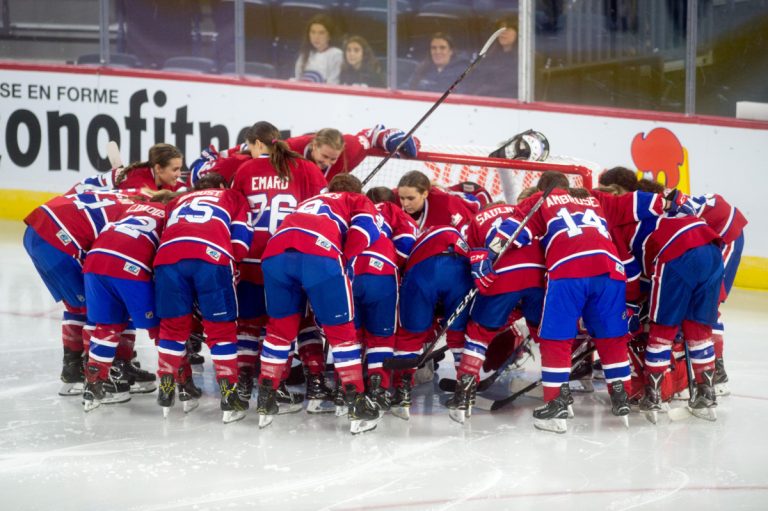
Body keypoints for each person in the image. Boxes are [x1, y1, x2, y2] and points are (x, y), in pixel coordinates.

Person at [480, 172, 634, 433]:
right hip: (611, 269)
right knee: (612, 335)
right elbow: (639, 204)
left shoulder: (541, 200)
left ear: (542, 188)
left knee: (555, 338)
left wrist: (488, 252)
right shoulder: (594, 198)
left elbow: (514, 232)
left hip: (569, 270)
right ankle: (622, 395)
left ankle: (556, 403)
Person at [255, 174, 383, 434]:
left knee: (279, 330)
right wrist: (344, 263)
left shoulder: (309, 201)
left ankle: (266, 397)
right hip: (320, 252)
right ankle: (356, 402)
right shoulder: (357, 199)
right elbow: (365, 230)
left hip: (275, 252)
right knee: (342, 332)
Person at [230, 121, 327, 410]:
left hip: (251, 258)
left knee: (248, 324)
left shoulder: (245, 170)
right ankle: (309, 383)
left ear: (257, 143)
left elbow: (235, 210)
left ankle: (245, 382)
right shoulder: (307, 168)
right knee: (297, 323)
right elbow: (322, 211)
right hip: (290, 257)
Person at [152, 173, 254, 423]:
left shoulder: (178, 200)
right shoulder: (233, 196)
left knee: (172, 328)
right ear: (222, 185)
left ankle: (167, 387)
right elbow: (240, 243)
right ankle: (229, 394)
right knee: (221, 330)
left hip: (167, 259)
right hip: (211, 257)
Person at [23, 191, 136, 396]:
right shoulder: (138, 215)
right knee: (97, 308)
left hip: (36, 231)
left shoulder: (125, 195)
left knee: (76, 305)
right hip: (58, 240)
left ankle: (73, 368)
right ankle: (99, 375)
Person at [446, 200, 546, 423]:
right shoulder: (523, 212)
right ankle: (557, 395)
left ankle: (464, 396)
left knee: (478, 334)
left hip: (503, 277)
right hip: (538, 276)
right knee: (546, 335)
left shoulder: (476, 220)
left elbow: (472, 259)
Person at [81, 198, 167, 410]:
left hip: (94, 261)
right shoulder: (170, 214)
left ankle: (94, 385)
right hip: (128, 266)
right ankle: (175, 380)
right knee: (158, 327)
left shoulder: (131, 209)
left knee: (107, 326)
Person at [352, 187, 418, 411]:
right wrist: (393, 262)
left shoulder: (354, 211)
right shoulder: (392, 210)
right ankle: (378, 389)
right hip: (381, 274)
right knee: (381, 338)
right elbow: (408, 241)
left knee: (351, 337)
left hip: (349, 272)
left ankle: (348, 390)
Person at [286, 125, 418, 183]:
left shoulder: (349, 149)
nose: (327, 163)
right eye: (324, 157)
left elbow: (370, 136)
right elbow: (268, 148)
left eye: (333, 159)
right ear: (314, 146)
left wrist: (390, 138)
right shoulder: (293, 147)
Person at [68, 143, 185, 195]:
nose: (179, 174)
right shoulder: (138, 185)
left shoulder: (161, 178)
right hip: (76, 199)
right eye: (175, 170)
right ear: (158, 168)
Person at [395, 170, 477, 235]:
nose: (405, 204)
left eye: (411, 198)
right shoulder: (395, 197)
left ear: (425, 194)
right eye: (402, 198)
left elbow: (468, 225)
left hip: (470, 202)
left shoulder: (446, 207)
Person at [465, 16, 519, 98]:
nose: (503, 33)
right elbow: (477, 80)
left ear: (518, 33)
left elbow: (510, 85)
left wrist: (485, 90)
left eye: (507, 29)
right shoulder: (490, 56)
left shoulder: (524, 60)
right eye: (500, 29)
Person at [294, 14, 343, 85]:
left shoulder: (336, 54)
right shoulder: (305, 54)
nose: (316, 37)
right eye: (313, 32)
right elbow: (298, 80)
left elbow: (333, 84)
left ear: (329, 35)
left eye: (321, 33)